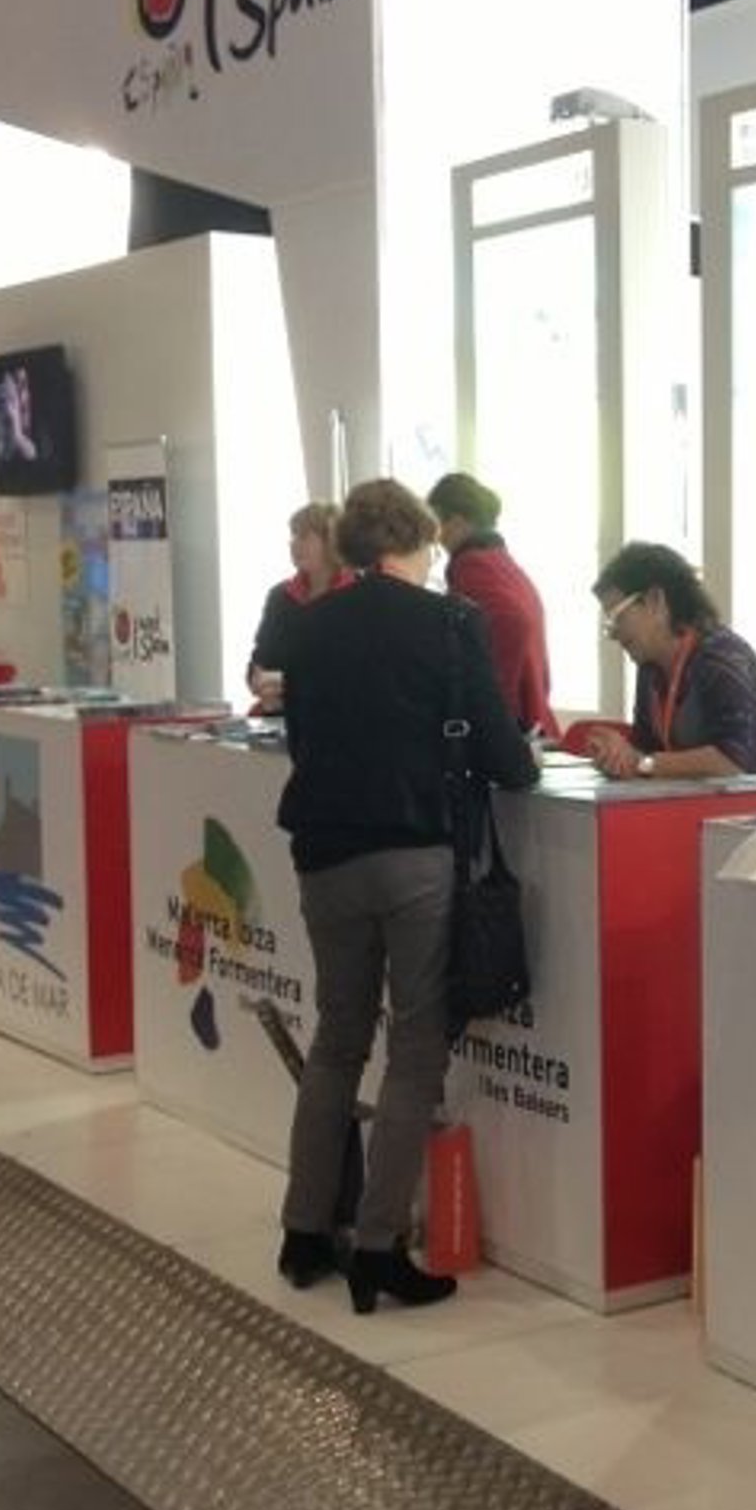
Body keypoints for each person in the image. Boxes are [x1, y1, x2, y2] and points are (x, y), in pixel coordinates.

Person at [275, 479, 538, 1313]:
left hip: (323, 854)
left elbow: (299, 737)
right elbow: (505, 755)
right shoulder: (451, 622)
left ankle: (304, 1230)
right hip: (413, 855)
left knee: (337, 1038)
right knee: (417, 1047)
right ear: (420, 540)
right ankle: (380, 1246)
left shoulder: (308, 625)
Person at [586, 543, 756, 782]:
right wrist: (617, 759)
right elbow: (645, 752)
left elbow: (730, 762)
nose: (613, 634)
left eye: (616, 616)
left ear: (655, 601)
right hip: (694, 798)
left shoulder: (720, 656)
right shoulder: (650, 668)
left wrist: (640, 762)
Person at [427, 472, 557, 740]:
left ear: (457, 522)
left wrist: (493, 707)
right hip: (534, 715)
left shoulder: (471, 565)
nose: (436, 539)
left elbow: (513, 622)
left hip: (512, 722)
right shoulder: (501, 562)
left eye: (437, 526)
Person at [244, 501, 351, 712]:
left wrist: (293, 687)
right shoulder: (280, 596)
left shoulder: (357, 595)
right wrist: (257, 679)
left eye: (304, 536)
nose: (294, 544)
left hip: (337, 715)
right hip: (279, 713)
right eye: (293, 536)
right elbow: (261, 658)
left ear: (331, 541)